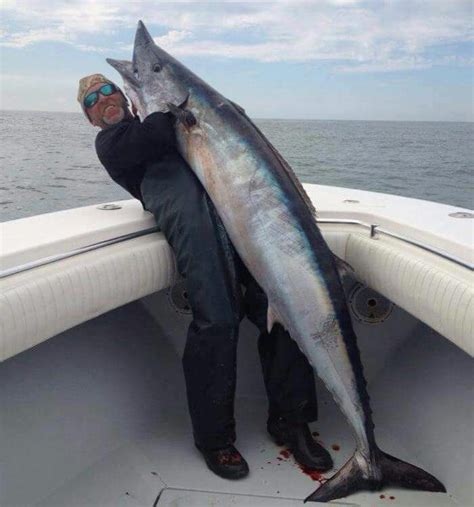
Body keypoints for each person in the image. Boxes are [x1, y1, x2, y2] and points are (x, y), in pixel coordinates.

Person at [77, 74, 333, 480]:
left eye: (109, 90)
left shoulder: (166, 125)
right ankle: (215, 439)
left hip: (234, 230)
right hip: (195, 241)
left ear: (125, 97)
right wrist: (179, 101)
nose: (102, 99)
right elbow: (159, 131)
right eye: (92, 99)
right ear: (90, 118)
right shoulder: (114, 144)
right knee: (216, 322)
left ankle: (292, 421)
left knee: (280, 311)